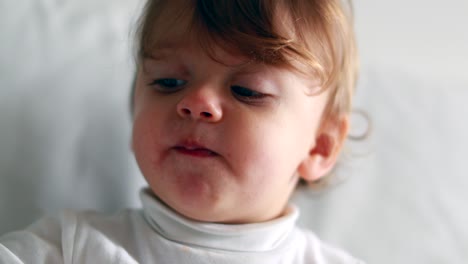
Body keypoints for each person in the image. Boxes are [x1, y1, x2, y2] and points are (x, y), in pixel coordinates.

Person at [0, 0, 364, 263]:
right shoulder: (70, 247)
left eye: (248, 91)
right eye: (168, 82)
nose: (197, 101)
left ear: (319, 146)